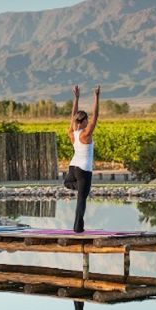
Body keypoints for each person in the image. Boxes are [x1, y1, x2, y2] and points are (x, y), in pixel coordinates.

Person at [64, 85, 100, 233]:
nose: (88, 121)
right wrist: (97, 97)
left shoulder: (72, 133)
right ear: (84, 121)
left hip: (73, 167)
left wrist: (76, 98)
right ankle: (78, 228)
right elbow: (96, 116)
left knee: (67, 183)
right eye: (87, 120)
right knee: (81, 199)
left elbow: (73, 117)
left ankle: (80, 188)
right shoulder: (85, 134)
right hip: (84, 170)